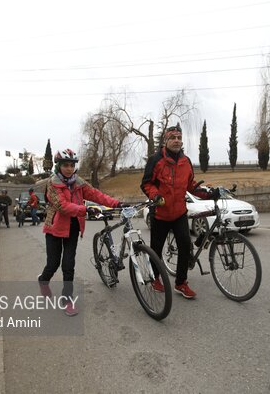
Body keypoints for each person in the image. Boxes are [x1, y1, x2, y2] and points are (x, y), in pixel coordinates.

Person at [38, 148, 123, 316]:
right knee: (53, 264)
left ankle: (67, 299)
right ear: (59, 166)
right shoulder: (52, 183)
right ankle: (43, 280)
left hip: (73, 228)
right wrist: (85, 209)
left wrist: (116, 203)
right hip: (54, 229)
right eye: (65, 165)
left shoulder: (79, 182)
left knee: (68, 265)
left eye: (72, 165)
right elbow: (62, 206)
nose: (69, 169)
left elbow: (96, 194)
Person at [140, 124, 215, 299]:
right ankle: (154, 278)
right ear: (165, 140)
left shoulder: (186, 161)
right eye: (172, 138)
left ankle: (181, 283)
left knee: (185, 246)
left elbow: (191, 186)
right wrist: (155, 196)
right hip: (160, 213)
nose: (176, 141)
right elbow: (146, 183)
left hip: (179, 213)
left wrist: (208, 193)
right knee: (156, 250)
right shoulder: (156, 160)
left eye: (179, 138)